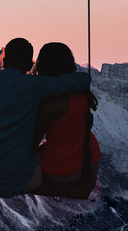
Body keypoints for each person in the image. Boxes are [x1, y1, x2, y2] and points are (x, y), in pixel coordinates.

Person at [0, 38, 95, 198]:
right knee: (45, 160)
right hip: (18, 180)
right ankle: (55, 190)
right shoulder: (34, 86)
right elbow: (83, 79)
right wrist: (83, 90)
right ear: (29, 65)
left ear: (4, 61)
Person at [32, 42, 101, 184]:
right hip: (90, 164)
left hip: (58, 172)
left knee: (27, 158)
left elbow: (33, 142)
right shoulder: (83, 94)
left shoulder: (48, 105)